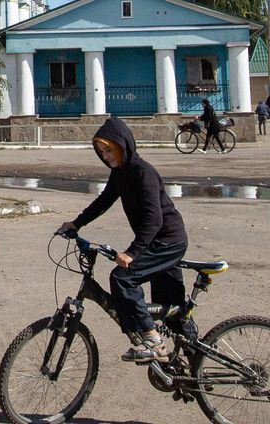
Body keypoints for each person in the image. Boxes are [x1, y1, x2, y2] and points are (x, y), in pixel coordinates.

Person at [61, 118, 189, 363]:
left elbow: (154, 219)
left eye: (109, 149)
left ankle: (152, 340)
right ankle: (194, 368)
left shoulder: (143, 172)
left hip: (168, 242)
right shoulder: (120, 173)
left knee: (122, 278)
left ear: (123, 145)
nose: (106, 156)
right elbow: (103, 202)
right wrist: (77, 223)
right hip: (156, 243)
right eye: (101, 152)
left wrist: (133, 252)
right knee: (172, 310)